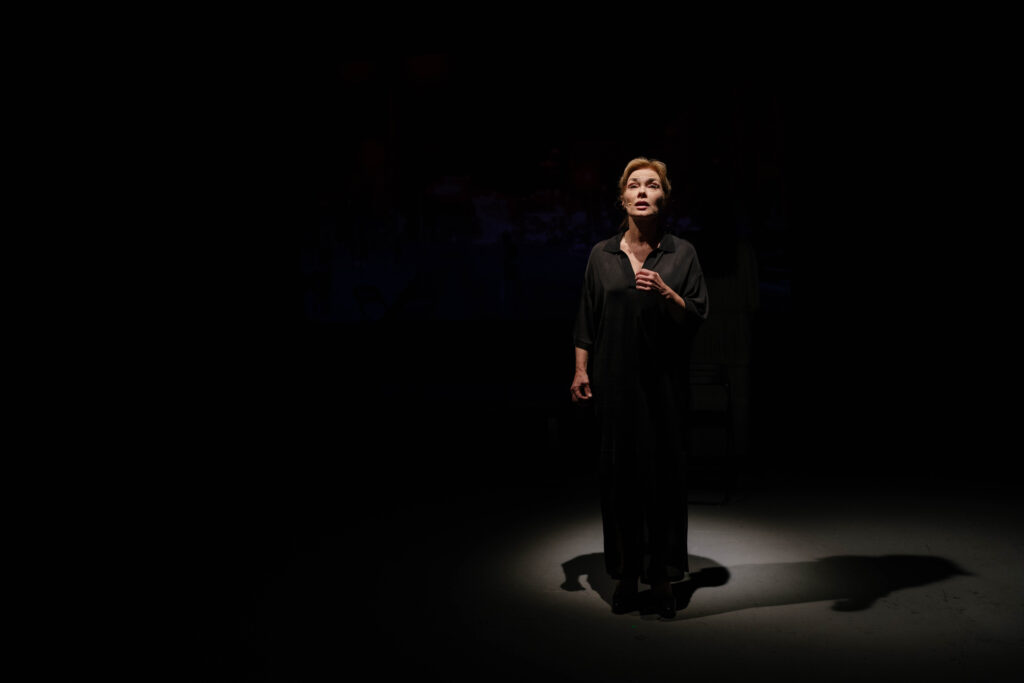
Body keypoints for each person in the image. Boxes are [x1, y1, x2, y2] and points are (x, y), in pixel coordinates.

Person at [570, 157, 709, 618]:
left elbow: (697, 314)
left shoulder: (682, 254)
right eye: (634, 185)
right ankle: (626, 575)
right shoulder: (602, 254)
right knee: (619, 481)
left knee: (664, 480)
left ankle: (663, 576)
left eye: (652, 185)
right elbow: (587, 316)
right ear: (623, 197)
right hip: (614, 385)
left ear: (664, 198)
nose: (643, 191)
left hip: (664, 386)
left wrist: (669, 294)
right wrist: (581, 370)